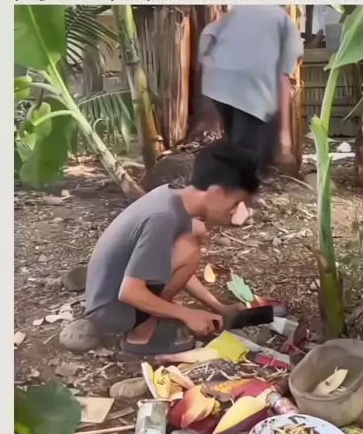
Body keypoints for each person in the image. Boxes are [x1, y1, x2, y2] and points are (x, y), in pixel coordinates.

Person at [84, 141, 260, 355]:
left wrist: (219, 308)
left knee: (192, 238)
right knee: (189, 249)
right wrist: (187, 314)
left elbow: (178, 267)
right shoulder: (164, 218)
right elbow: (129, 292)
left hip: (108, 293)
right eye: (235, 203)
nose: (235, 212)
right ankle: (140, 336)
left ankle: (153, 313)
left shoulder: (174, 198)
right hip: (110, 310)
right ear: (215, 193)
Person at [199, 5, 303, 173]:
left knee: (238, 143)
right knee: (250, 154)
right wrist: (285, 138)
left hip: (220, 84)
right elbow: (283, 79)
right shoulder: (284, 23)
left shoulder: (236, 16)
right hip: (252, 90)